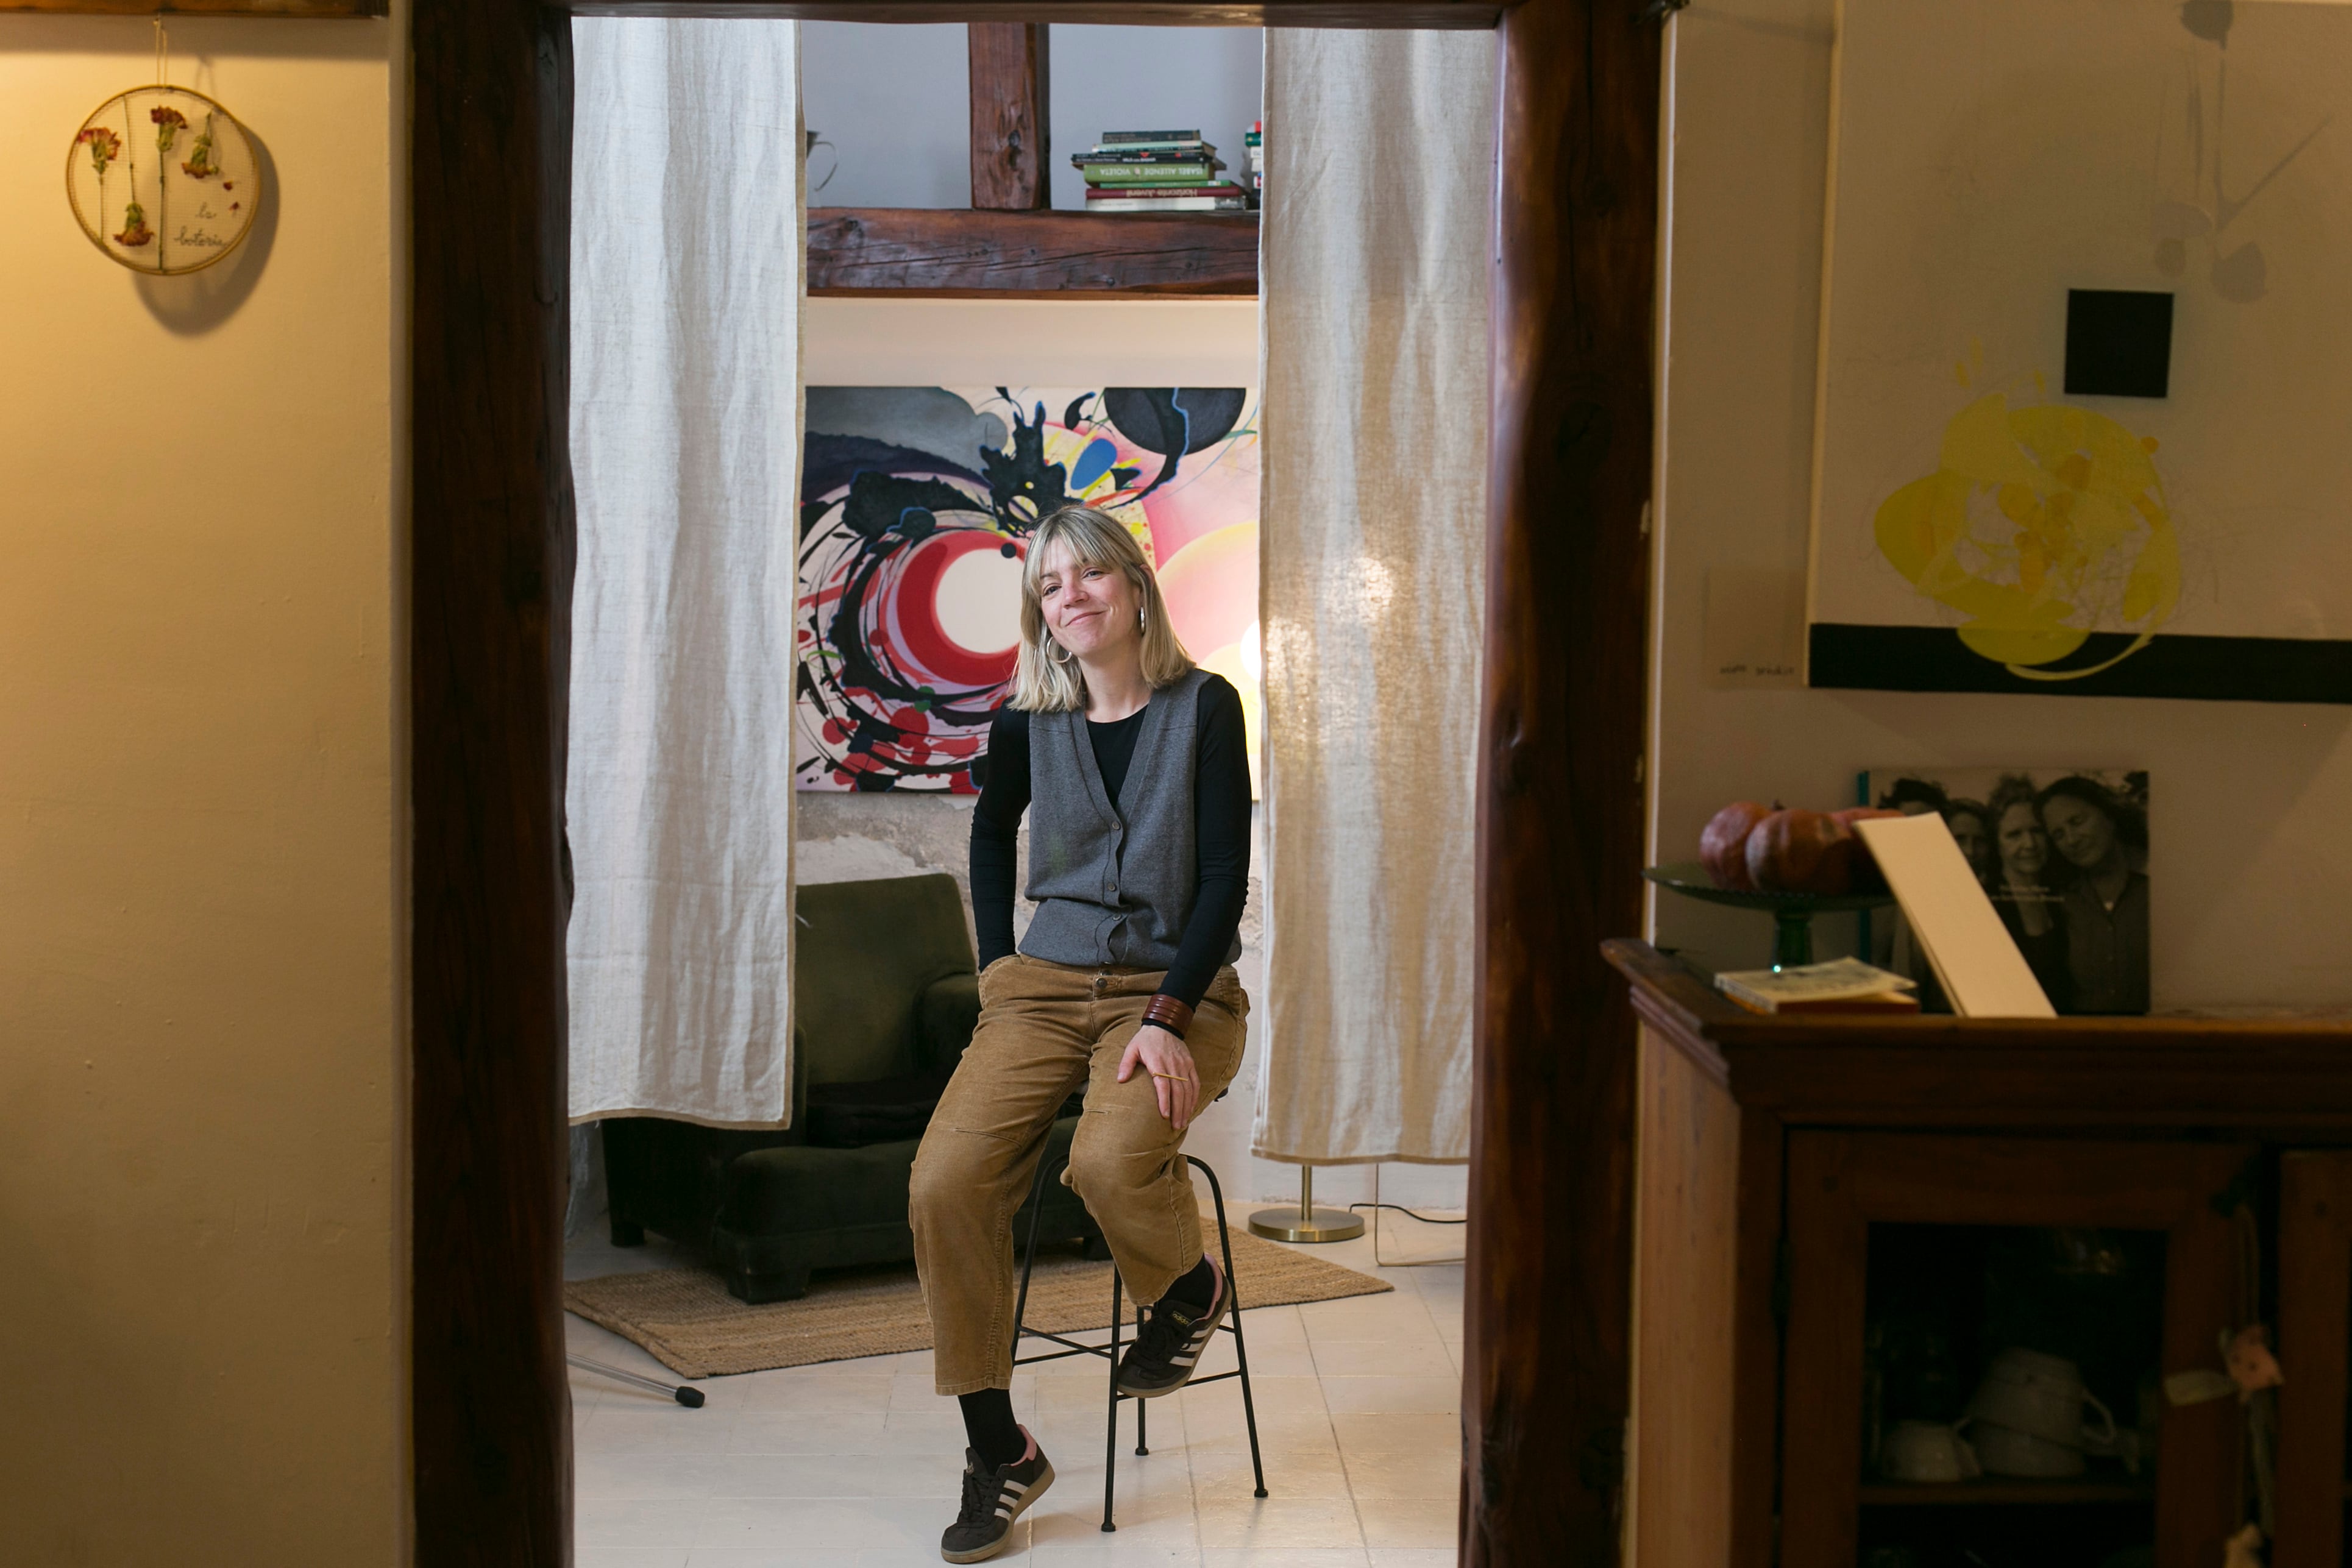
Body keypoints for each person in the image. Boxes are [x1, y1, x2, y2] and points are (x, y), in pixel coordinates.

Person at [908, 504, 1252, 1564]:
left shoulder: (1205, 707)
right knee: (943, 1182)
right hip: (1041, 987)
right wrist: (994, 966)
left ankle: (1187, 1289)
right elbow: (987, 830)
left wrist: (1167, 1015)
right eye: (1049, 586)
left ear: (1134, 585)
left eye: (1089, 575)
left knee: (1105, 1160)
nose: (1070, 598)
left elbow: (1222, 881)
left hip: (1177, 989)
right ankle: (997, 1449)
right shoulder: (1027, 719)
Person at [2038, 776, 2151, 1014]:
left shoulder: (2158, 879)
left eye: (2077, 822)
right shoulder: (2063, 900)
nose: (2071, 840)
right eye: (2058, 835)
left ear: (2109, 815)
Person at [1986, 776, 2072, 1011]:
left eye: (2037, 831)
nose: (2030, 844)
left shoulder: (2064, 893)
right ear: (1997, 842)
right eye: (2014, 835)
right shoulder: (1983, 902)